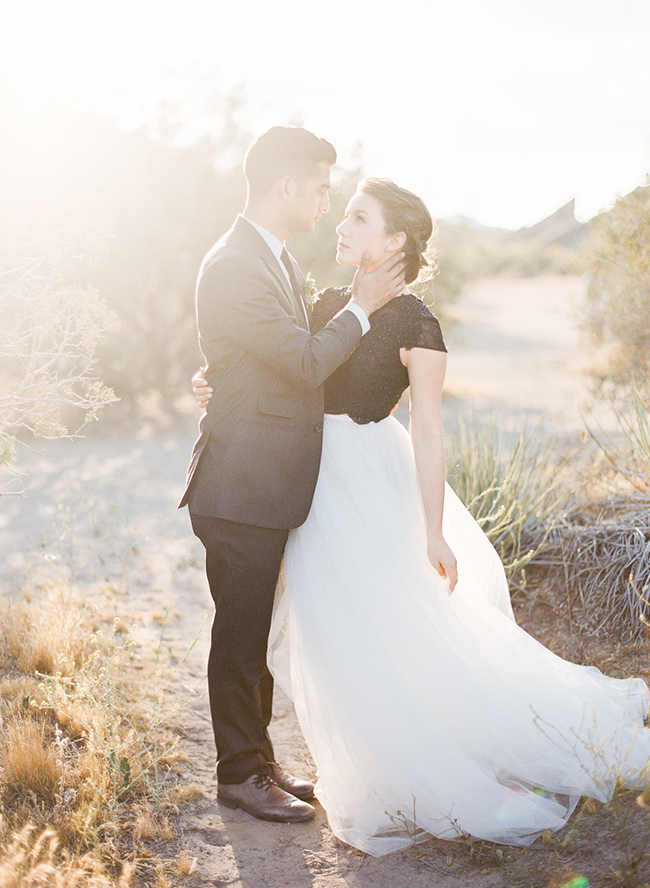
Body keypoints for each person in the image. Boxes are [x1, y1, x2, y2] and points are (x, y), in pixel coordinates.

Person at [193, 176, 650, 855]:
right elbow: (281, 367)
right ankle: (274, 765)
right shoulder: (322, 303)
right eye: (341, 213)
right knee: (323, 630)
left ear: (396, 238)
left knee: (386, 627)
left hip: (371, 487)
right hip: (304, 485)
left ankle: (408, 763)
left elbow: (429, 433)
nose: (340, 226)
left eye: (357, 217)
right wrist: (216, 381)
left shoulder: (417, 325)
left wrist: (434, 528)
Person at [179, 127, 406, 825]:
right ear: (285, 186)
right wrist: (364, 308)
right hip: (239, 484)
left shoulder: (266, 257)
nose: (324, 201)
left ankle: (258, 760)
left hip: (260, 482)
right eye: (319, 188)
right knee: (241, 640)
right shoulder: (235, 265)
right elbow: (306, 363)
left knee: (254, 641)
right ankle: (238, 775)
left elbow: (265, 353)